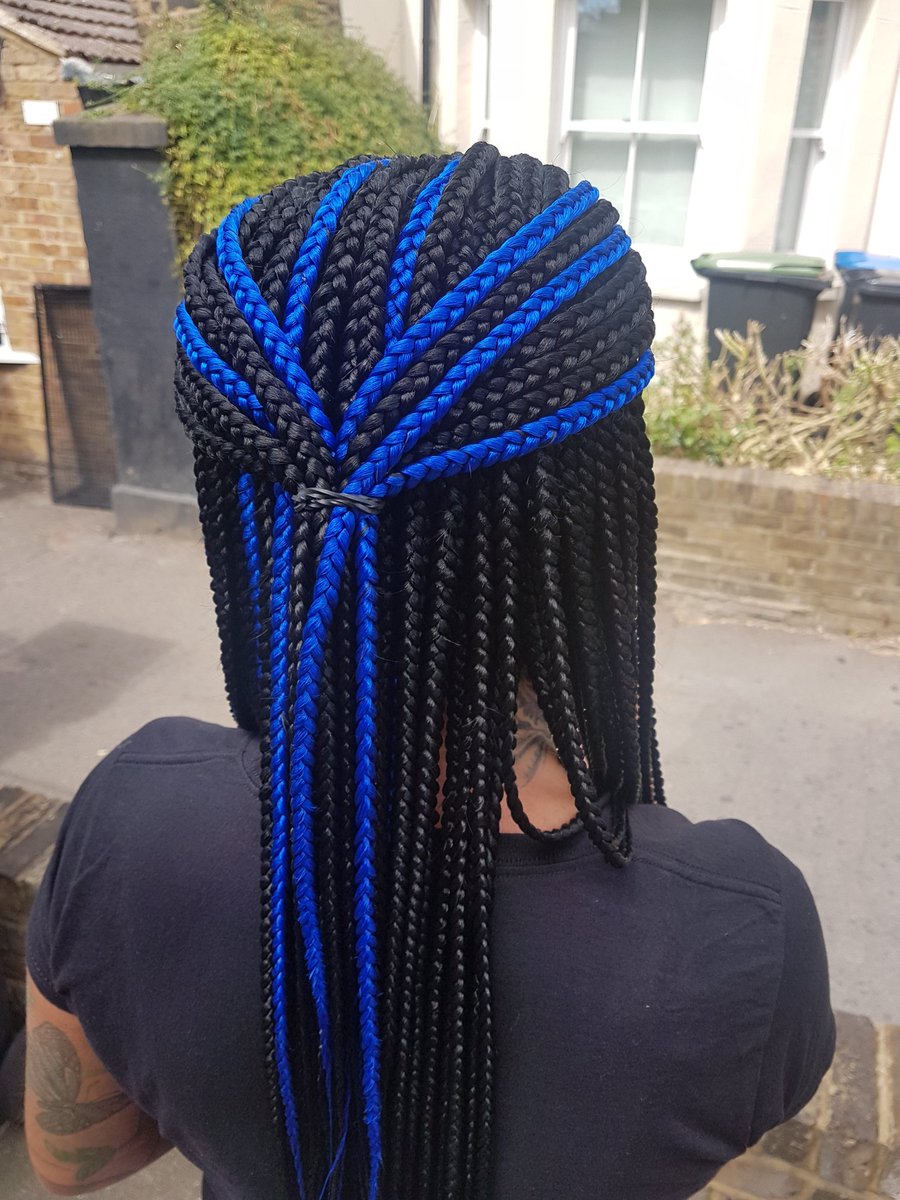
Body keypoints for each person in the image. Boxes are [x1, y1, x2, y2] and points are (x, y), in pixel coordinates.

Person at [24, 145, 834, 1200]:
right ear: (597, 492)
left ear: (239, 492)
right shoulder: (741, 934)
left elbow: (70, 1160)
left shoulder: (130, 820)